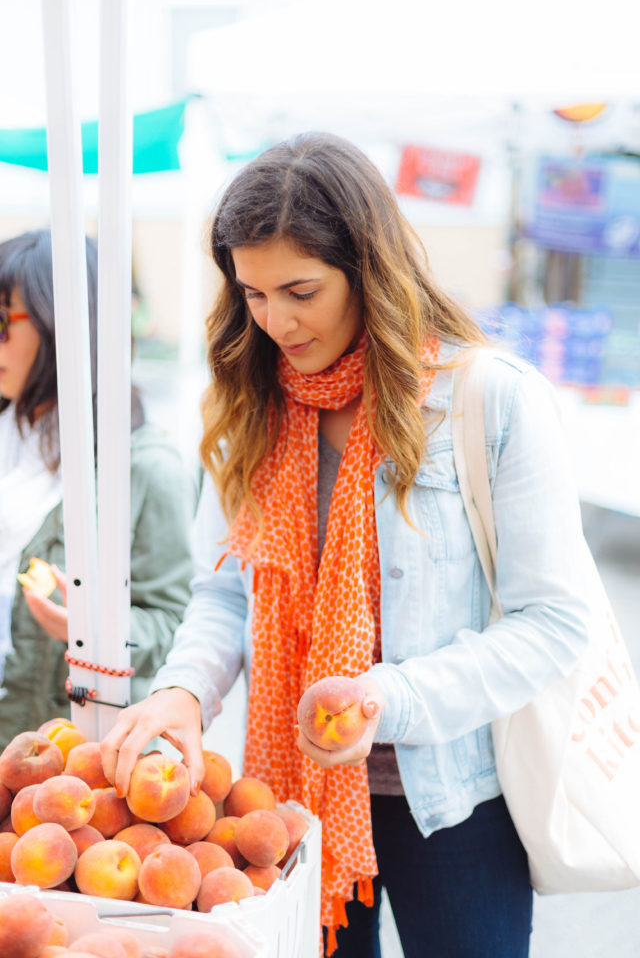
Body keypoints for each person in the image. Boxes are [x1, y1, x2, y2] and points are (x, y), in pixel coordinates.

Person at [101, 133, 591, 958]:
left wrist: (383, 701)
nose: (276, 321)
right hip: (288, 804)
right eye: (253, 293)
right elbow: (226, 591)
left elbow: (554, 624)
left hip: (454, 806)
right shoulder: (251, 403)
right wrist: (183, 693)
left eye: (301, 290)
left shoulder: (490, 400)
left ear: (370, 269)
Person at [0, 229, 195, 747]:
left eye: (2, 321)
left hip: (63, 768)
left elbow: (179, 628)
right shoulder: (9, 433)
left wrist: (96, 628)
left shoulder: (147, 469)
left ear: (63, 324)